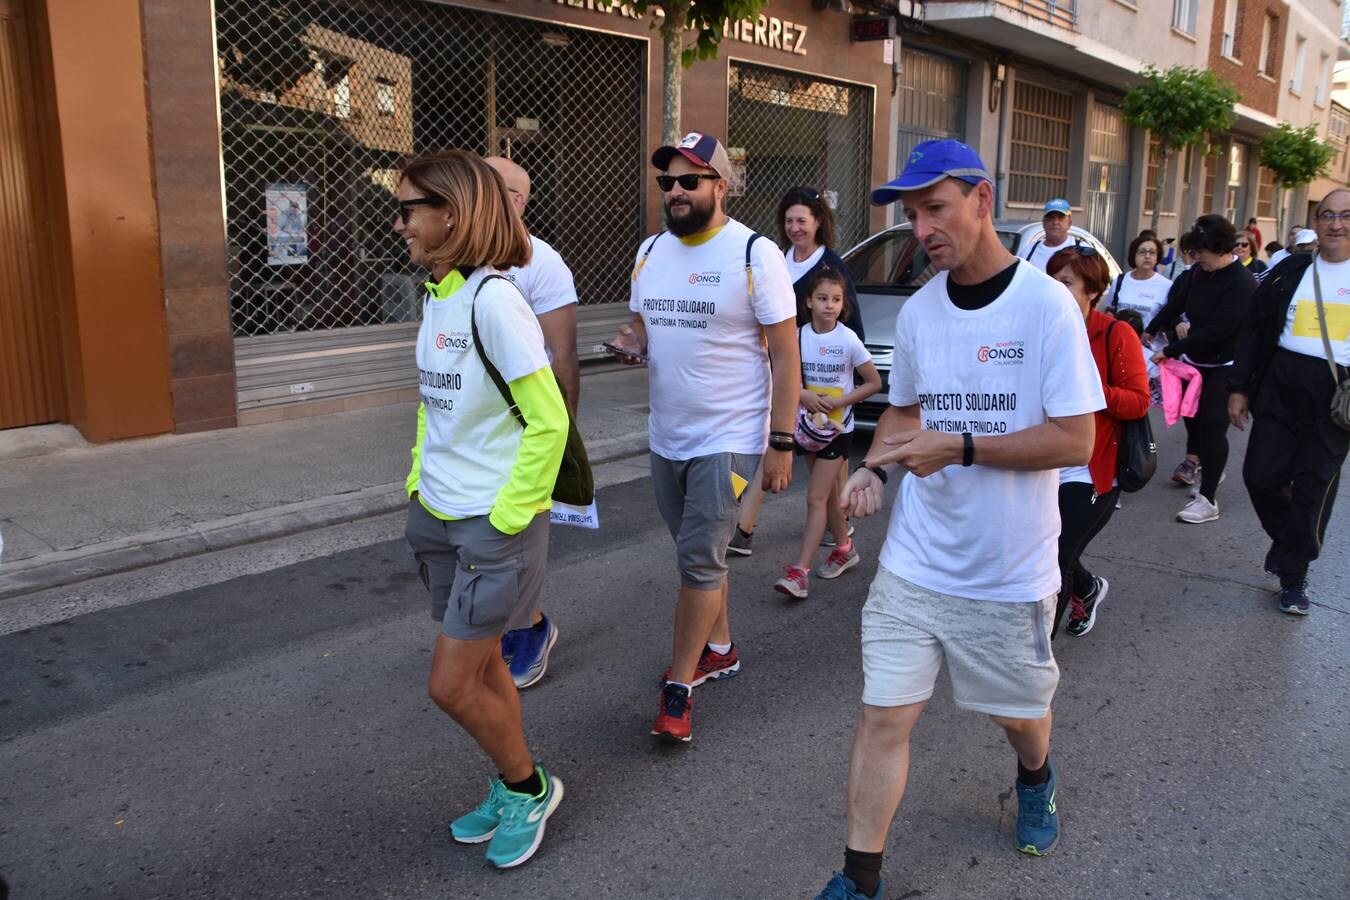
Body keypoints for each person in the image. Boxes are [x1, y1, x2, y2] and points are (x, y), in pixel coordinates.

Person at [813, 140, 1102, 900]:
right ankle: (859, 879)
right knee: (883, 718)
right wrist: (874, 468)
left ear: (982, 199)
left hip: (1008, 573)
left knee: (1020, 717)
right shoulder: (921, 311)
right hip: (917, 561)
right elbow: (903, 413)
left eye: (934, 208)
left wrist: (963, 446)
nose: (921, 228)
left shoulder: (1045, 307)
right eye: (911, 215)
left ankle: (1035, 776)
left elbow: (1077, 439)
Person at [397, 150, 567, 869]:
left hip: (492, 524)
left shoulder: (496, 301)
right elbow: (435, 405)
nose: (399, 221)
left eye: (410, 209)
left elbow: (549, 420)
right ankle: (510, 784)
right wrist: (416, 480)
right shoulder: (440, 293)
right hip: (437, 513)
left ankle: (529, 787)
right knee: (487, 667)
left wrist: (507, 519)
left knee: (450, 684)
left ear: (452, 215)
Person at [608, 131, 799, 743]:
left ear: (721, 184)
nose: (676, 191)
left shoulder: (753, 253)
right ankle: (720, 646)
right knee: (700, 556)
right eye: (667, 181)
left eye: (690, 180)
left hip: (730, 437)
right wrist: (633, 341)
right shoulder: (650, 250)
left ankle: (679, 688)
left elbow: (787, 357)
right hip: (668, 435)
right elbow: (643, 324)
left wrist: (781, 441)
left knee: (697, 559)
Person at [1229, 188, 1350, 614]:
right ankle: (1287, 542)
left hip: (1336, 397)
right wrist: (1239, 388)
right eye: (1327, 215)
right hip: (1279, 386)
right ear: (1315, 223)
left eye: (1345, 215)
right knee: (1260, 476)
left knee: (1313, 491)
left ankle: (1294, 575)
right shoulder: (1290, 270)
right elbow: (1255, 330)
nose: (1336, 224)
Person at [484, 156, 579, 690]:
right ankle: (512, 623)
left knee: (519, 534)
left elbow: (563, 354)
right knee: (481, 536)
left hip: (528, 427)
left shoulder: (542, 262)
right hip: (476, 432)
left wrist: (567, 434)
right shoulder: (458, 260)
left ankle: (528, 629)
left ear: (516, 199)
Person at [728, 186, 865, 557]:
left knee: (824, 459)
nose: (794, 228)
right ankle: (746, 527)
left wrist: (838, 393)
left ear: (818, 222)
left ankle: (835, 528)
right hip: (770, 369)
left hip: (816, 383)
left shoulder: (831, 267)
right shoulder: (775, 259)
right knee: (772, 444)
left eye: (802, 220)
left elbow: (851, 331)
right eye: (788, 221)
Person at [1046, 247, 1150, 637]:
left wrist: (1088, 390)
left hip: (1091, 469)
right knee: (1037, 552)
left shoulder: (1114, 333)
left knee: (1057, 559)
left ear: (1093, 290)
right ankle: (1088, 589)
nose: (1055, 289)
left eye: (1066, 282)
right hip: (1040, 461)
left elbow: (1139, 401)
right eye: (1051, 280)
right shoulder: (1041, 329)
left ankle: (1036, 655)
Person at [773, 267, 881, 599]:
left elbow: (874, 383)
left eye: (836, 299)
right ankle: (846, 549)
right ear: (808, 301)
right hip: (807, 430)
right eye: (822, 299)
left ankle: (800, 573)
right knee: (831, 497)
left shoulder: (847, 338)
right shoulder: (797, 336)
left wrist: (842, 401)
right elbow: (781, 373)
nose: (829, 305)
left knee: (816, 497)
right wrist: (804, 396)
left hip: (838, 432)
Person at [1144, 215, 1257, 523]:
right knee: (1192, 420)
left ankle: (1208, 499)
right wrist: (1152, 329)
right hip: (1195, 361)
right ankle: (1210, 466)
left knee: (1211, 425)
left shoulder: (1241, 284)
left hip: (1226, 363)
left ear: (1219, 249)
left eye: (1200, 253)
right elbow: (1177, 301)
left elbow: (1218, 331)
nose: (1195, 259)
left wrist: (1170, 351)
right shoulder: (1198, 273)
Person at [1103, 233, 1171, 324]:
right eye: (1142, 252)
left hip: (1150, 338)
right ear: (1133, 255)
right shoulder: (1120, 281)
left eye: (1152, 252)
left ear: (1157, 257)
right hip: (1122, 337)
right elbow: (1110, 309)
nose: (1147, 256)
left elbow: (1171, 318)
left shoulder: (1167, 285)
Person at [1020, 198, 1076, 271]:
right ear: (1043, 222)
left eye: (1061, 217)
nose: (1055, 222)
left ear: (1069, 223)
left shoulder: (1082, 251)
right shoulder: (1028, 251)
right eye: (1050, 217)